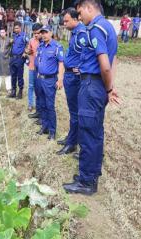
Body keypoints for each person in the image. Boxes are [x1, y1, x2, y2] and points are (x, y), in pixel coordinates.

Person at [63, 0, 120, 195]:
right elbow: (114, 62)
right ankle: (92, 174)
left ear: (89, 8)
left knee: (87, 132)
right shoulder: (109, 28)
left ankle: (86, 182)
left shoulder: (96, 28)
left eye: (80, 13)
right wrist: (109, 88)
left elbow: (104, 64)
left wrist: (109, 86)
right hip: (98, 86)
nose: (80, 17)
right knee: (95, 131)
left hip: (91, 84)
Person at [56, 7, 87, 155]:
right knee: (73, 111)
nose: (64, 24)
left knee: (75, 113)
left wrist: (81, 67)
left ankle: (72, 144)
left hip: (75, 78)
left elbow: (89, 53)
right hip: (69, 76)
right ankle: (72, 138)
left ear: (76, 19)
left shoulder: (82, 33)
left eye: (67, 21)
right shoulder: (75, 33)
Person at [34, 25, 64, 140]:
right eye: (42, 32)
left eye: (46, 32)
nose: (44, 34)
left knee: (49, 105)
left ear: (51, 32)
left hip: (50, 80)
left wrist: (60, 79)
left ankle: (52, 131)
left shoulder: (57, 46)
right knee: (42, 103)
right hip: (40, 78)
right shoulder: (41, 46)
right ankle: (45, 126)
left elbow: (61, 63)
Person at [7, 22, 29, 99]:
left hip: (20, 58)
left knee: (19, 76)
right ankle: (13, 91)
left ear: (20, 28)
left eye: (17, 28)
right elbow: (9, 45)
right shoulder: (13, 36)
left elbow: (28, 45)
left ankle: (20, 92)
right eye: (14, 28)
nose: (15, 30)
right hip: (12, 58)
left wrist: (25, 52)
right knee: (13, 75)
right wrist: (10, 42)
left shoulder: (24, 36)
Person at [25, 23, 43, 112]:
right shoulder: (31, 41)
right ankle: (30, 104)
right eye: (34, 33)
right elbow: (27, 50)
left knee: (40, 87)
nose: (36, 35)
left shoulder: (45, 40)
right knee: (31, 86)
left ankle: (39, 106)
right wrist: (28, 51)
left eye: (38, 33)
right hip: (32, 67)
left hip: (42, 70)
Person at [0, 28, 12, 94]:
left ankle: (9, 88)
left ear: (5, 32)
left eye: (3, 32)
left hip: (6, 59)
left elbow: (12, 47)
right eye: (1, 32)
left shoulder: (9, 40)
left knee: (7, 74)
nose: (2, 34)